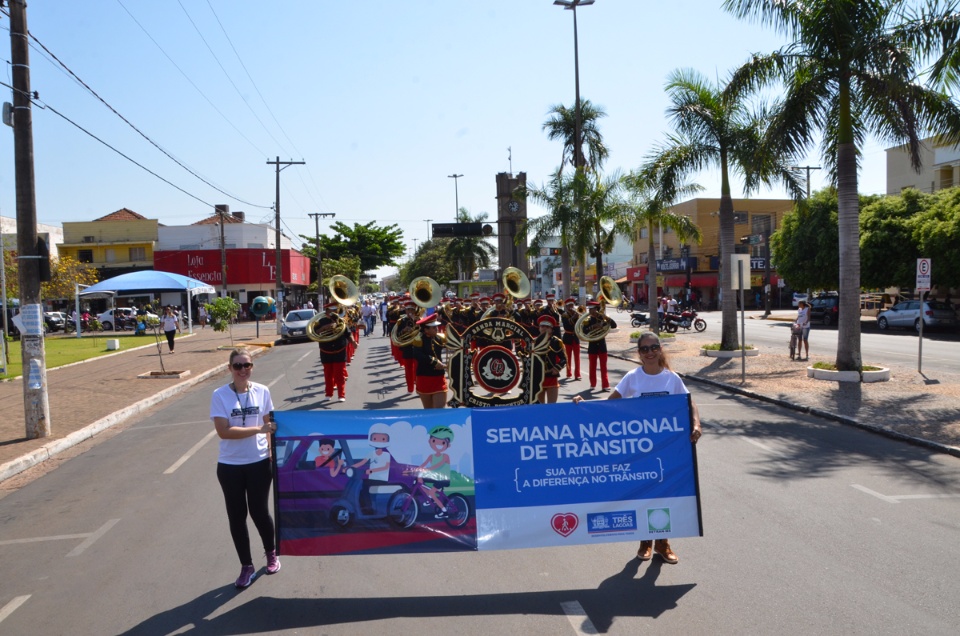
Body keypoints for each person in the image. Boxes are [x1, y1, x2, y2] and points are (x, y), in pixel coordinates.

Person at [574, 332, 702, 564]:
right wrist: (585, 406)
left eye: (654, 347)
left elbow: (689, 402)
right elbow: (611, 401)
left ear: (660, 349)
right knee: (645, 495)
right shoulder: (633, 377)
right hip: (640, 450)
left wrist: (696, 423)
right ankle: (645, 541)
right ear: (639, 353)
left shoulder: (671, 379)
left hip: (666, 449)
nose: (650, 352)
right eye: (645, 349)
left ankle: (663, 543)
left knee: (663, 496)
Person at [210, 349, 280, 588]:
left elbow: (270, 424)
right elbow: (224, 431)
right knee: (237, 516)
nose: (243, 370)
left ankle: (271, 553)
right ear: (229, 368)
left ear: (252, 367)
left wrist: (271, 452)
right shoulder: (219, 395)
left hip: (259, 463)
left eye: (247, 365)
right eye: (238, 366)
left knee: (260, 512)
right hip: (230, 466)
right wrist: (259, 430)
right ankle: (246, 566)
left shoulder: (263, 391)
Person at [414, 315, 447, 409]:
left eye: (436, 327)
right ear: (426, 330)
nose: (437, 329)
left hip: (438, 377)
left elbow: (454, 345)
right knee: (428, 410)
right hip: (424, 377)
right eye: (434, 327)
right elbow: (418, 355)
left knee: (440, 409)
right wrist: (435, 361)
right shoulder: (419, 339)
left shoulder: (439, 338)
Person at [534, 314, 567, 403]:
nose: (544, 328)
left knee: (552, 407)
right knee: (539, 408)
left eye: (548, 327)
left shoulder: (556, 342)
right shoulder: (533, 342)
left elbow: (564, 359)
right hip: (537, 377)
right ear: (539, 328)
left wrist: (557, 368)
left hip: (551, 377)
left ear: (552, 330)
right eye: (542, 326)